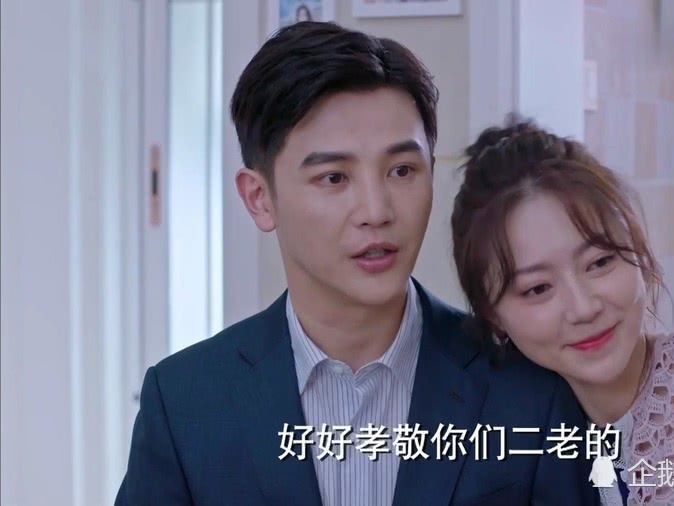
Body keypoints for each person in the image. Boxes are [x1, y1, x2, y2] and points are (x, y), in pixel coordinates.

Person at [116, 23, 598, 506]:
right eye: (334, 178)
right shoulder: (185, 403)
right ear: (260, 198)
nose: (376, 211)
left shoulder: (528, 390)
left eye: (402, 171)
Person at [451, 119, 674, 504]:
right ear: (492, 315)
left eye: (600, 262)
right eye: (538, 288)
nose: (584, 308)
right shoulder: (516, 428)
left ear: (638, 251)